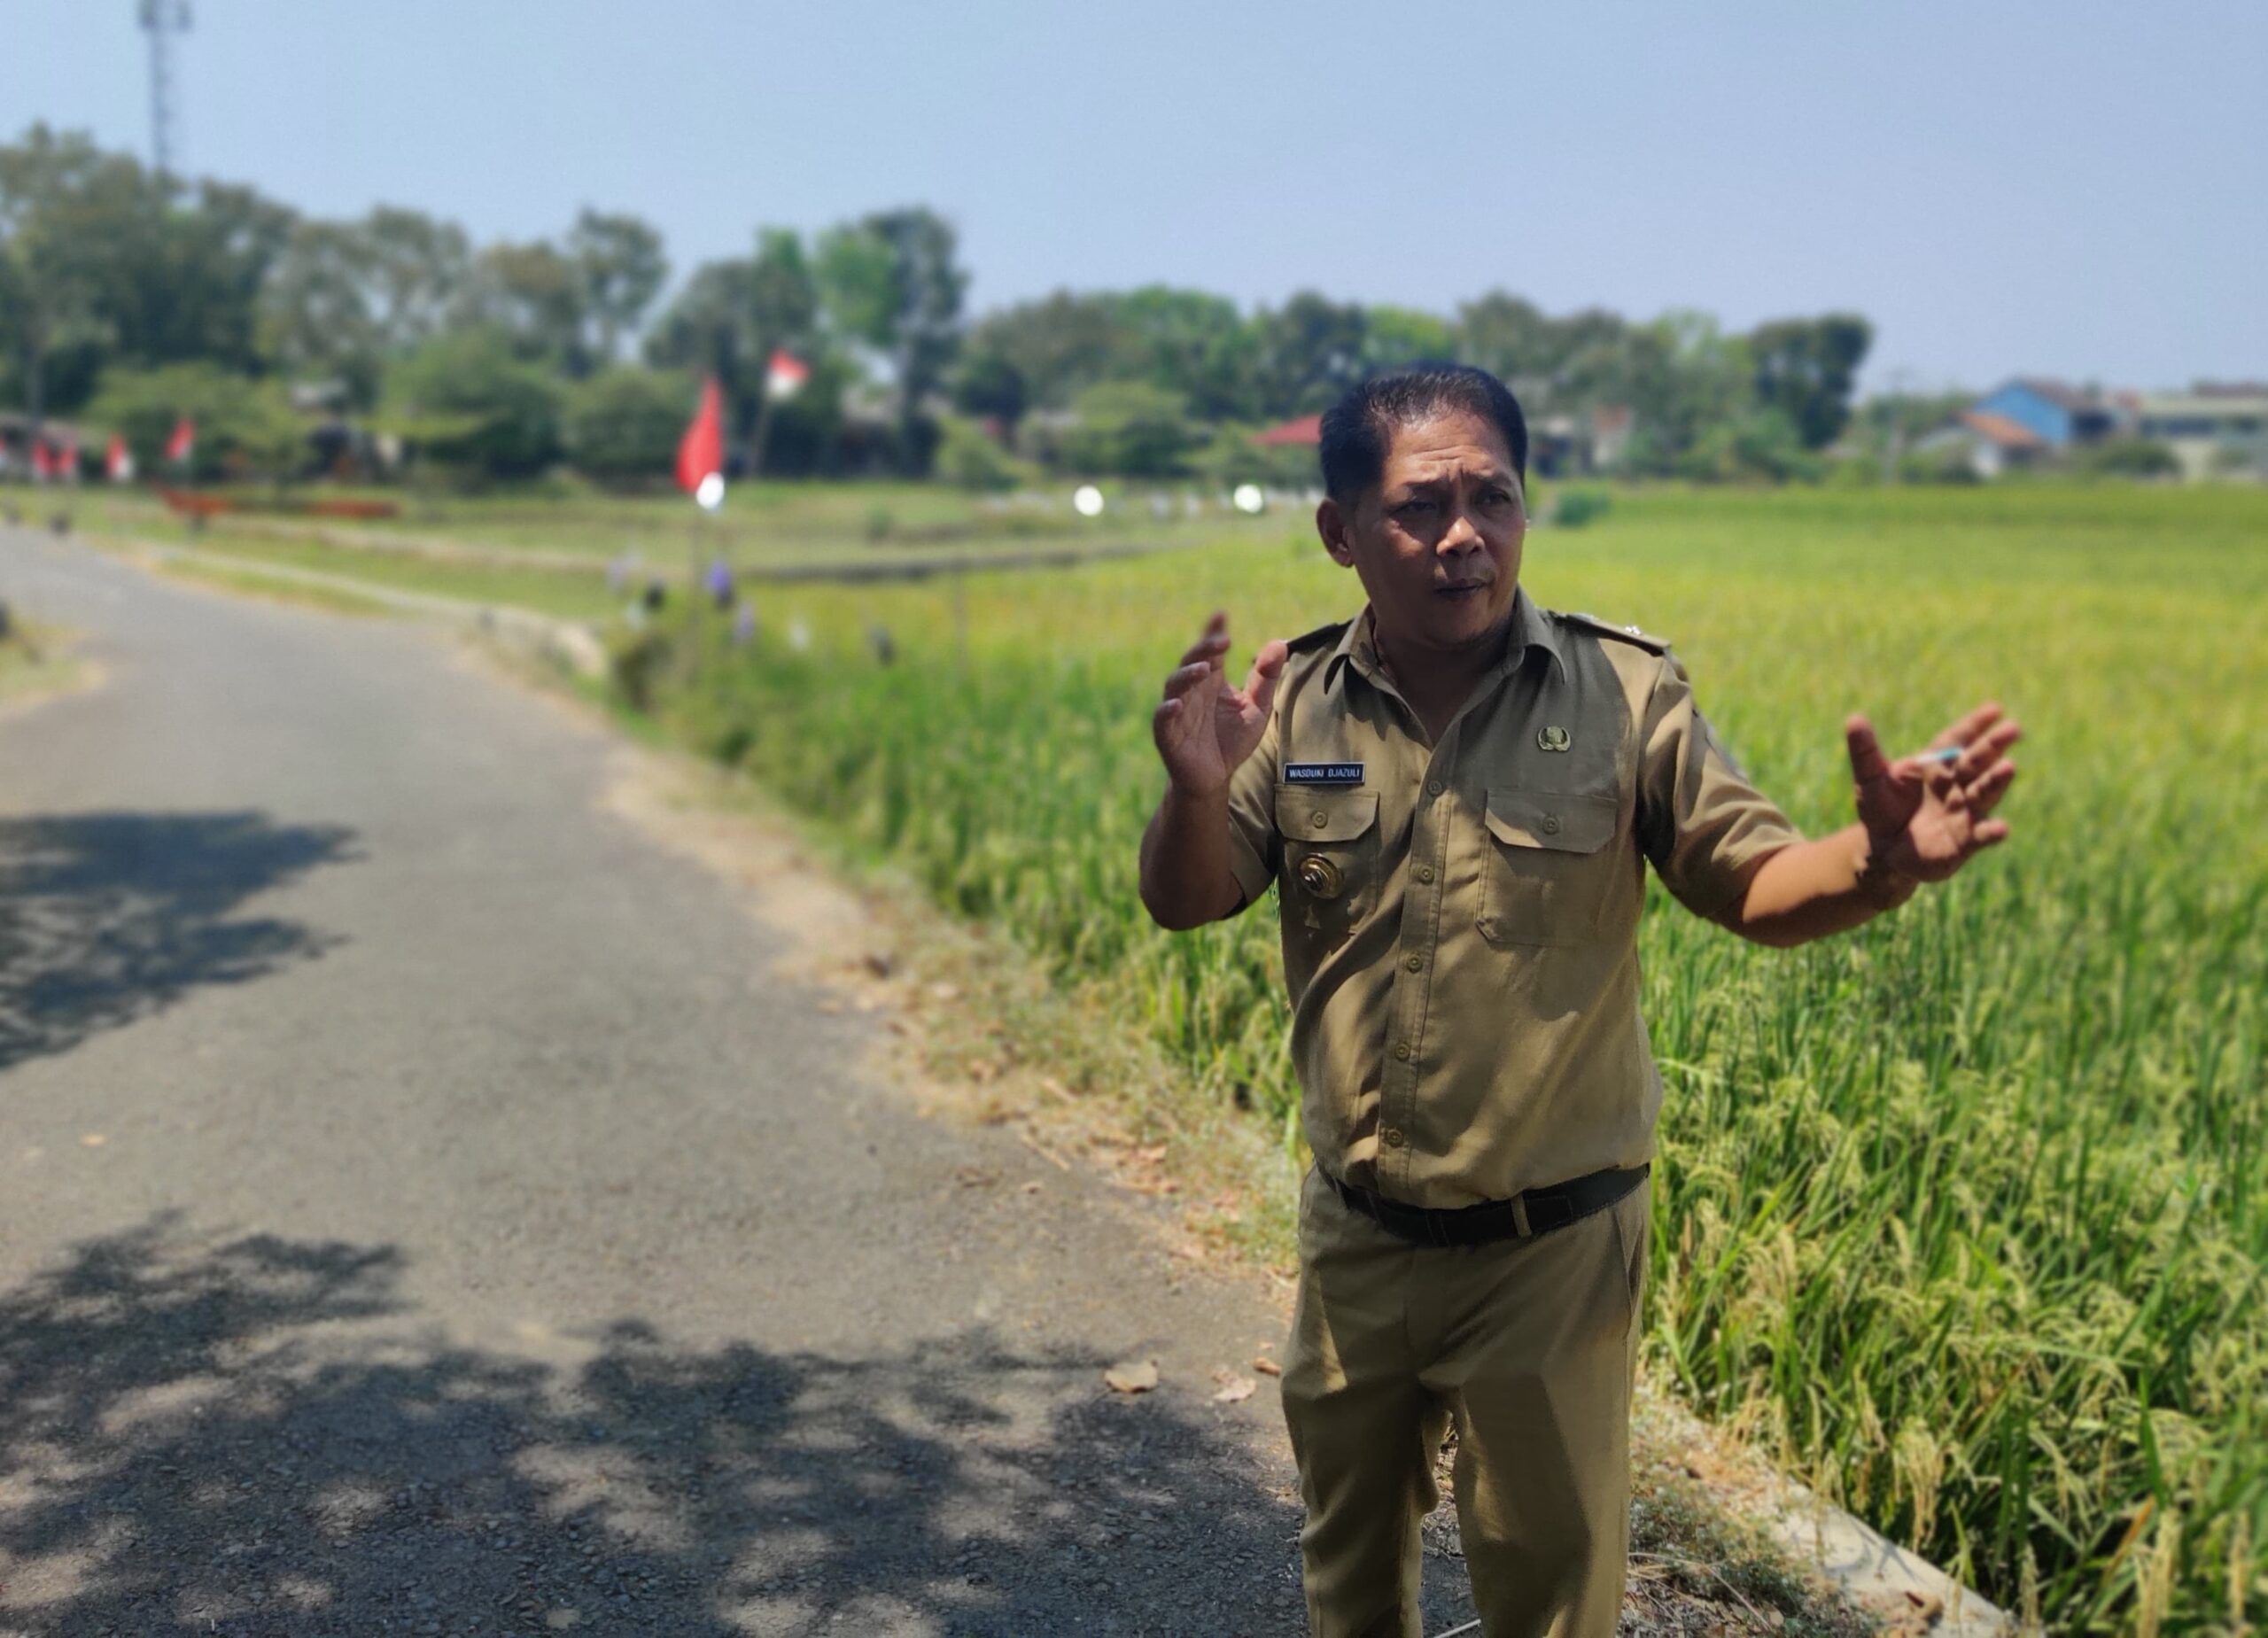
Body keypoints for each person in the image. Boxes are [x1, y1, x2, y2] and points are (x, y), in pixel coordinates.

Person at [1136, 364, 2021, 1638]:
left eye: (1492, 497)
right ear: (1340, 533)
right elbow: (1190, 894)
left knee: (1552, 1598)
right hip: (1357, 1239)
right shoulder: (1300, 700)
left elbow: (1756, 882)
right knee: (1346, 1580)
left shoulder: (1625, 695)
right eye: (1420, 507)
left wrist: (1875, 864)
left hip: (1547, 1254)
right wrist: (1196, 791)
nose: (1464, 536)